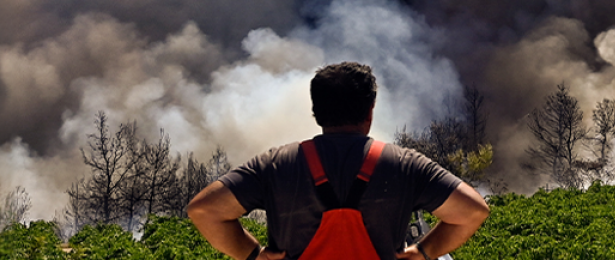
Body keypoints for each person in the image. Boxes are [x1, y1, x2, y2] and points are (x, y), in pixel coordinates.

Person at [187, 62, 490, 260]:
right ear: (370, 110)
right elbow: (472, 211)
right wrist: (423, 252)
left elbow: (204, 210)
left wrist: (253, 255)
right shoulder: (405, 164)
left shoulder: (276, 164)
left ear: (316, 112)